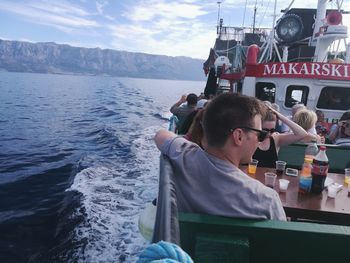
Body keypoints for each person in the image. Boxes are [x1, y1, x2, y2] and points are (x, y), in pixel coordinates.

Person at [155, 93, 286, 221]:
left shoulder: (184, 156)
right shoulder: (266, 200)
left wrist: (189, 148)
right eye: (260, 134)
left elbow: (160, 135)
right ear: (238, 136)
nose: (259, 141)